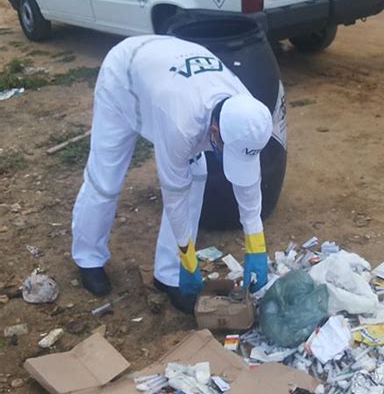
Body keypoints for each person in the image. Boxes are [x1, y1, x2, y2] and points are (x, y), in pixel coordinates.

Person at [71, 34, 273, 313]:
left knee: (198, 175)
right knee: (105, 179)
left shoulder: (247, 112)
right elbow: (174, 194)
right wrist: (190, 261)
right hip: (125, 77)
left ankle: (167, 276)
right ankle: (88, 257)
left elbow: (250, 184)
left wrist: (256, 244)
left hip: (166, 69)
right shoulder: (181, 124)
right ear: (214, 131)